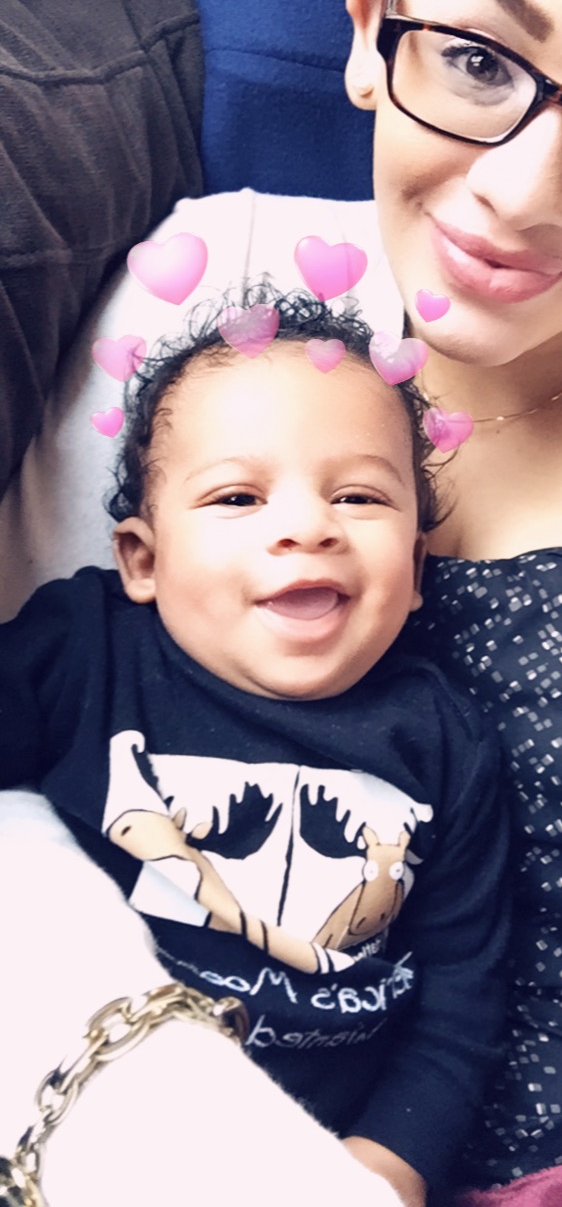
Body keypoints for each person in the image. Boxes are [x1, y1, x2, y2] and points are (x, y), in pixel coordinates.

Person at [1, 0, 562, 1204]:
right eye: (476, 60)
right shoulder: (185, 308)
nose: (523, 192)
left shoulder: (449, 739)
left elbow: (460, 990)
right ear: (371, 30)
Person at [0, 284, 508, 1207]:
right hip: (75, 1112)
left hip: (302, 1163)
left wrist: (386, 1166)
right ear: (143, 560)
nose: (308, 525)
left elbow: (460, 1006)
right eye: (238, 496)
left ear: (414, 569)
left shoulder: (445, 739)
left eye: (357, 495)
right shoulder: (83, 650)